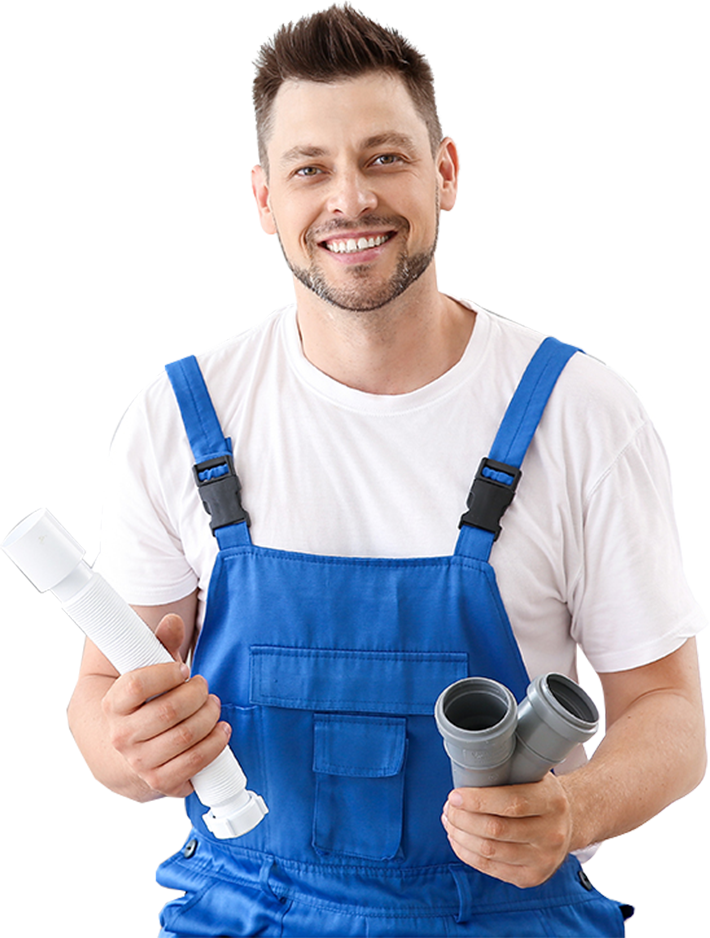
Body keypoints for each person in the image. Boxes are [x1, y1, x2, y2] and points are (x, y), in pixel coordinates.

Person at [68, 7, 706, 936]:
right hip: (244, 908)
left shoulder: (580, 413)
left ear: (445, 174)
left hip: (505, 914)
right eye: (309, 170)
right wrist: (129, 744)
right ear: (265, 199)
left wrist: (573, 811)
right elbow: (99, 696)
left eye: (384, 158)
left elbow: (667, 712)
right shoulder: (179, 419)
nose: (350, 199)